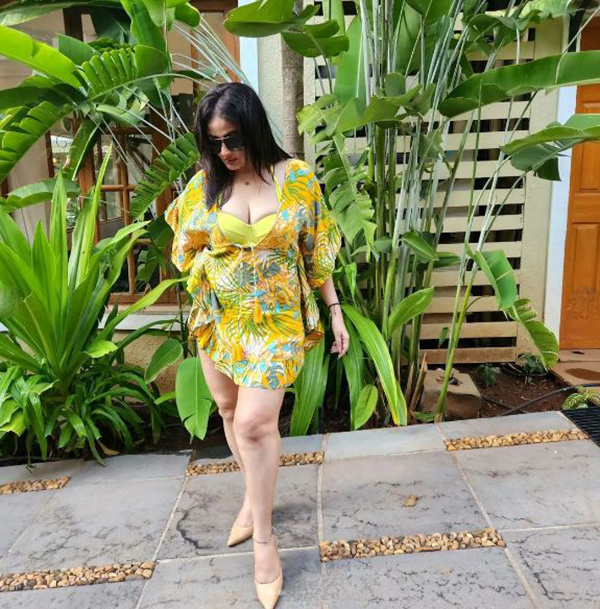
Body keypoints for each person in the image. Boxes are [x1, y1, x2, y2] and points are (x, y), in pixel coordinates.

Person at [165, 81, 349, 609]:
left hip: (275, 322)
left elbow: (316, 251)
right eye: (214, 141)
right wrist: (209, 270)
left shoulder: (297, 179)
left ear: (254, 129)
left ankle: (265, 542)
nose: (224, 151)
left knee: (253, 423)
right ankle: (252, 497)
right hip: (221, 320)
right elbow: (184, 245)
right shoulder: (206, 184)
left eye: (233, 139)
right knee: (228, 410)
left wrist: (334, 310)